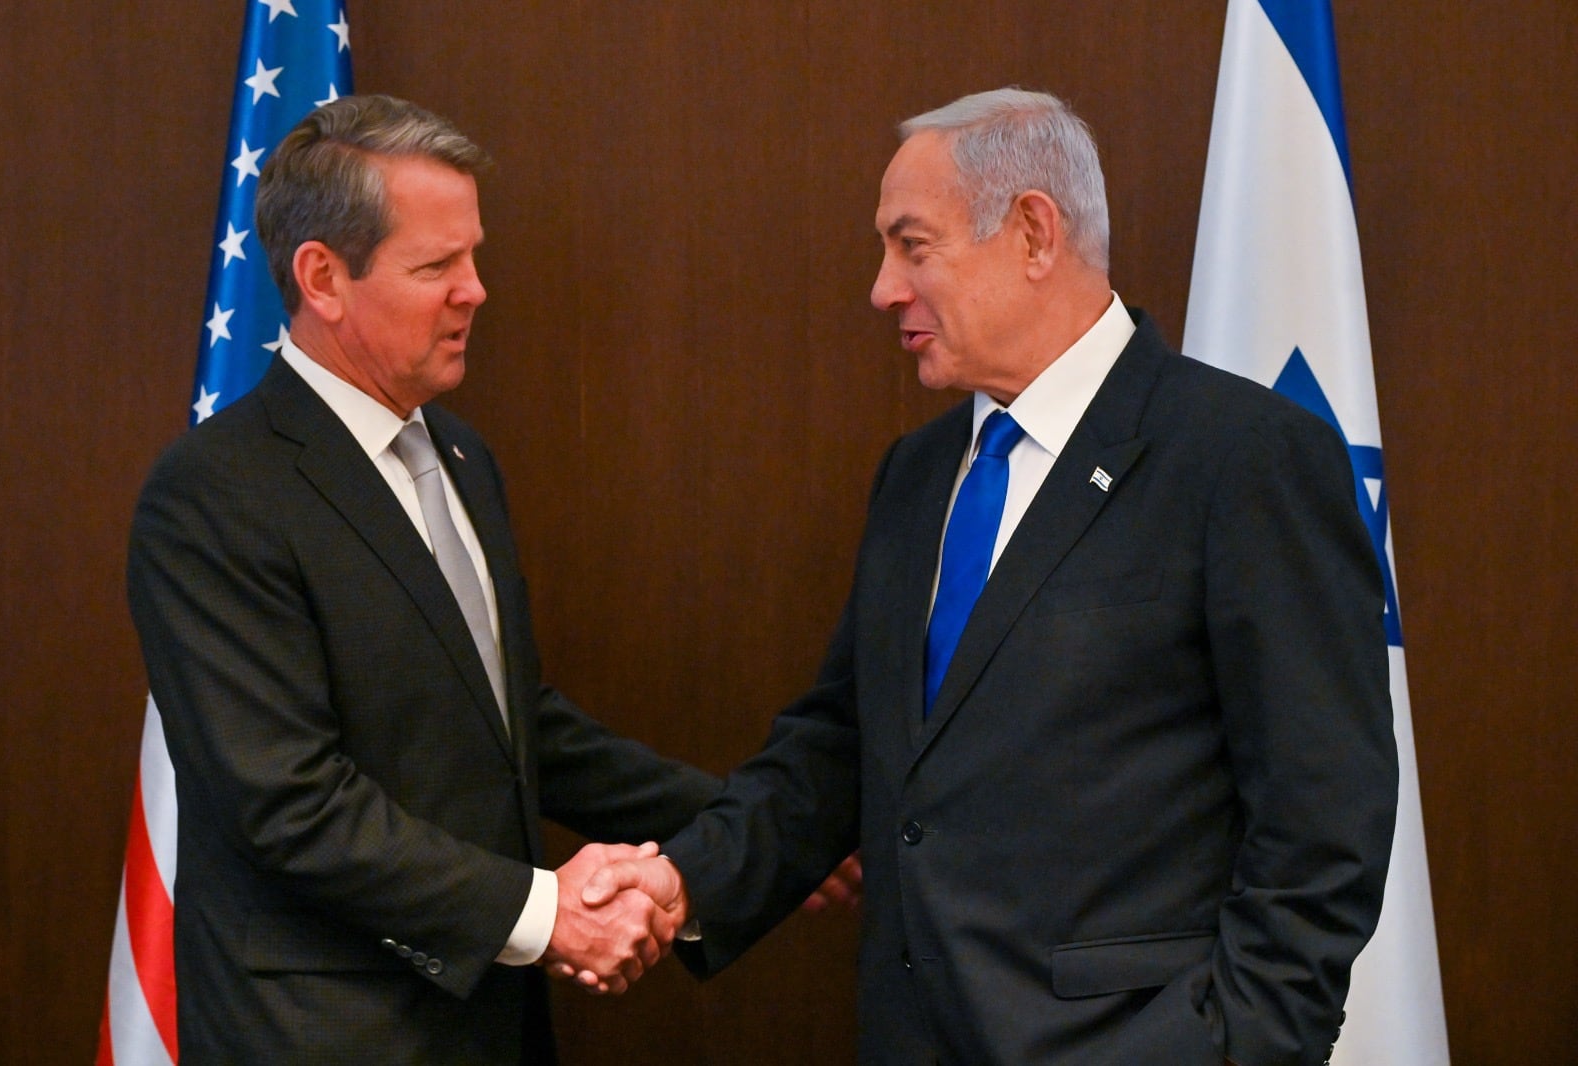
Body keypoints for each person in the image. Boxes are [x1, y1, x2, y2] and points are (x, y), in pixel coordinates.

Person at [581, 88, 1399, 1065]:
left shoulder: (1242, 459)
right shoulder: (918, 474)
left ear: (1032, 232)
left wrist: (1236, 1048)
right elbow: (845, 745)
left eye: (911, 244)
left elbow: (1323, 817)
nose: (883, 288)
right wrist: (684, 881)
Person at [126, 94, 724, 1062]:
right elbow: (290, 801)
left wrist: (744, 824)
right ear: (323, 277)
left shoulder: (459, 457)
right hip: (327, 1037)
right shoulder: (210, 498)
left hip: (488, 1025)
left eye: (473, 256)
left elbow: (507, 727)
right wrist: (547, 909)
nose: (476, 290)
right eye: (438, 265)